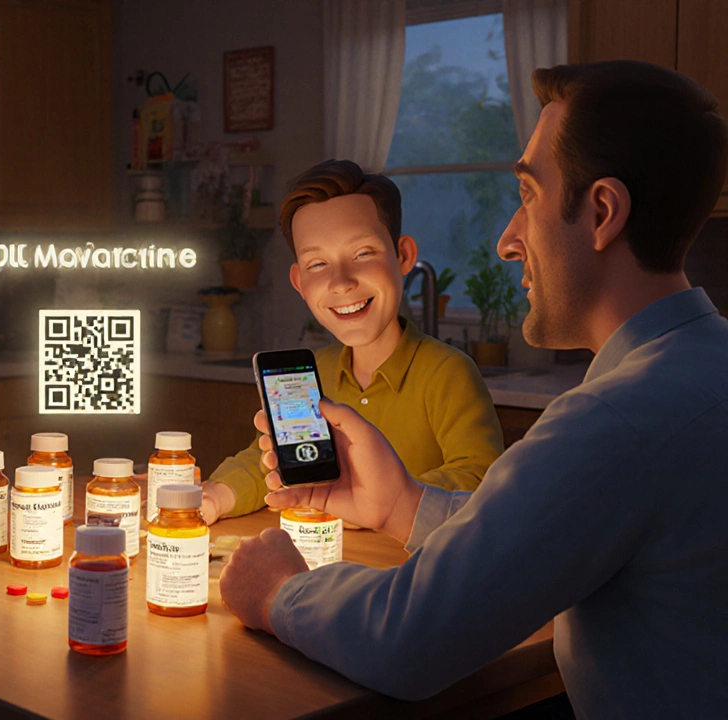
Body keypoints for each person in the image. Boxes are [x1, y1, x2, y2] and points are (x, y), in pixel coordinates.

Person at [218, 61, 728, 718]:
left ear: (602, 212)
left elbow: (408, 639)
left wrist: (279, 592)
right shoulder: (698, 370)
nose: (507, 240)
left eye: (528, 195)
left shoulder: (614, 424)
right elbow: (536, 536)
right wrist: (402, 503)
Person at [201, 160, 504, 524]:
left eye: (363, 254)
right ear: (299, 283)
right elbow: (266, 464)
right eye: (317, 265)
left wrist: (376, 500)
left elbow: (478, 479)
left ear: (403, 255)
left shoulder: (446, 373)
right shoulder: (313, 372)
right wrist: (216, 496)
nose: (341, 282)